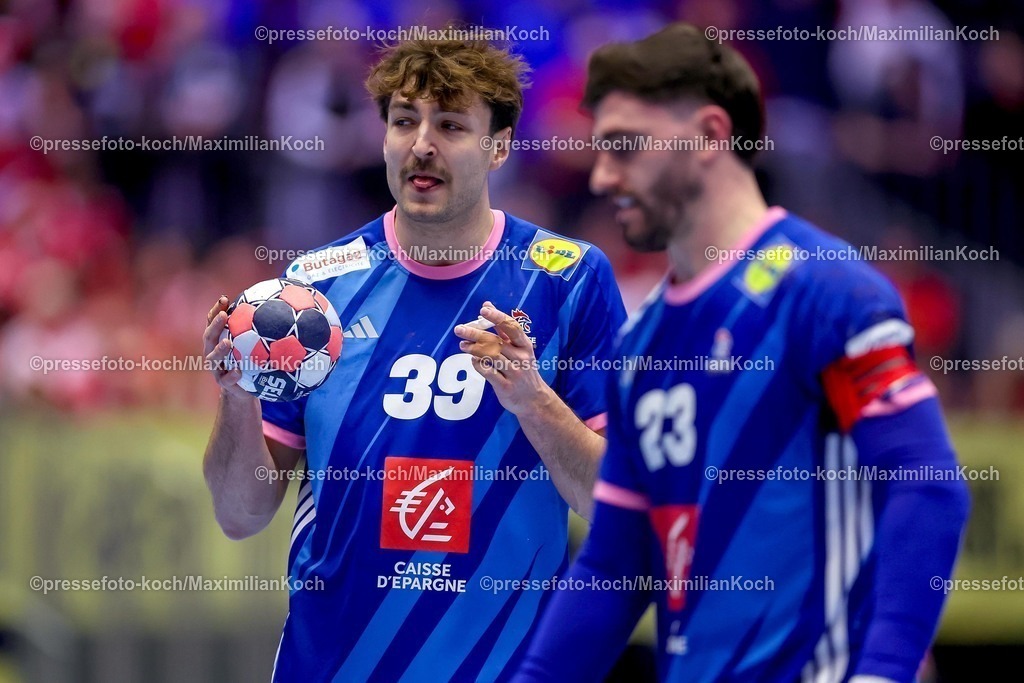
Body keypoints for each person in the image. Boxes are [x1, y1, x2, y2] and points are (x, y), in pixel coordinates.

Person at [514, 23, 969, 683]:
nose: (604, 174)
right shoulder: (642, 344)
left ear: (709, 135)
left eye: (624, 147)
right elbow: (616, 562)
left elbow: (926, 484)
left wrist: (883, 671)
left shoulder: (820, 287)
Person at [200, 38, 626, 682]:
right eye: (404, 122)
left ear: (500, 147)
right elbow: (239, 515)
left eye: (451, 125)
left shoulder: (568, 279)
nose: (421, 144)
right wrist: (237, 397)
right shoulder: (312, 293)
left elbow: (612, 499)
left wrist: (531, 399)